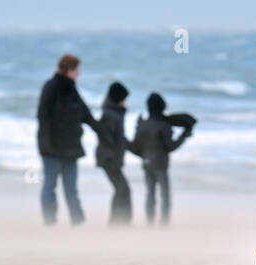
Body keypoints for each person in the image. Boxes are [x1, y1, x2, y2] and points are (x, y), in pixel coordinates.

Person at [36, 53, 98, 226]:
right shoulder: (51, 87)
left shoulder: (71, 89)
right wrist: (46, 143)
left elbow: (85, 114)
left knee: (71, 188)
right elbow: (43, 116)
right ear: (69, 70)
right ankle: (50, 223)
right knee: (50, 186)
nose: (78, 73)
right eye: (77, 70)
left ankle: (77, 223)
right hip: (52, 148)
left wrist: (102, 130)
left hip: (70, 148)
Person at [127, 92, 191, 225]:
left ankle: (150, 223)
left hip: (146, 163)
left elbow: (135, 146)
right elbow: (171, 146)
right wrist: (184, 136)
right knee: (164, 195)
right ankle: (164, 224)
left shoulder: (143, 124)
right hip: (161, 164)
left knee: (150, 194)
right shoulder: (163, 124)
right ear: (162, 107)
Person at [97, 82, 133, 225]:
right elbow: (105, 137)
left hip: (112, 158)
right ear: (119, 98)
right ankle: (118, 223)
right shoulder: (110, 115)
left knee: (121, 189)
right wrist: (111, 157)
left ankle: (118, 222)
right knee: (122, 189)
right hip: (109, 159)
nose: (126, 101)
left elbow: (119, 139)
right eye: (124, 98)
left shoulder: (114, 113)